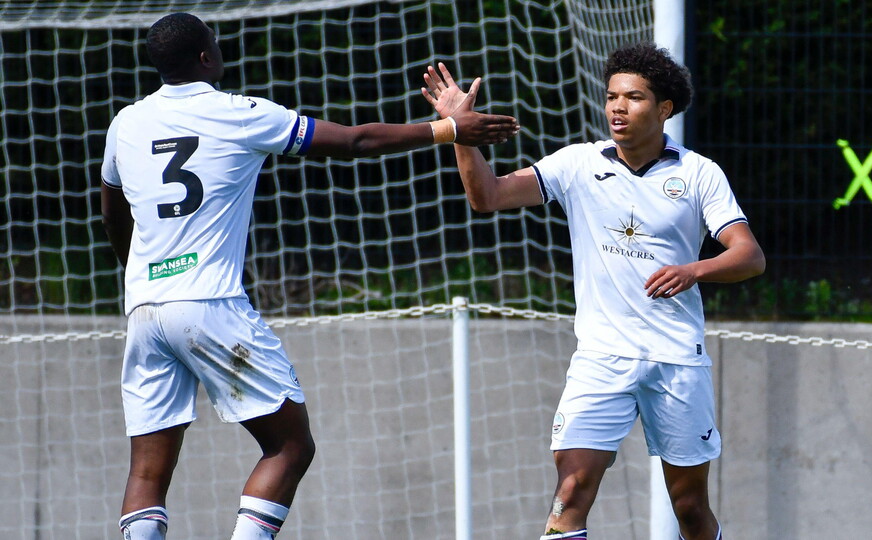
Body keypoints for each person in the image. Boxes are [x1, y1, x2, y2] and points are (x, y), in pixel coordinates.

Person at [100, 12, 519, 540]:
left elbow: (112, 212)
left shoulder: (125, 123)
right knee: (290, 445)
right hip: (209, 302)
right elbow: (354, 142)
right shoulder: (240, 114)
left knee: (146, 470)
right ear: (206, 57)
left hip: (144, 309)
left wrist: (139, 275)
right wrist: (450, 129)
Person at [422, 42, 764, 540]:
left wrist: (695, 270)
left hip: (676, 358)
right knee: (570, 494)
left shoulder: (698, 173)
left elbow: (749, 255)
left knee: (690, 509)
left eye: (634, 97)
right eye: (611, 97)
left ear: (664, 109)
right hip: (601, 359)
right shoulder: (578, 164)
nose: (617, 108)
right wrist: (459, 131)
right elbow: (487, 196)